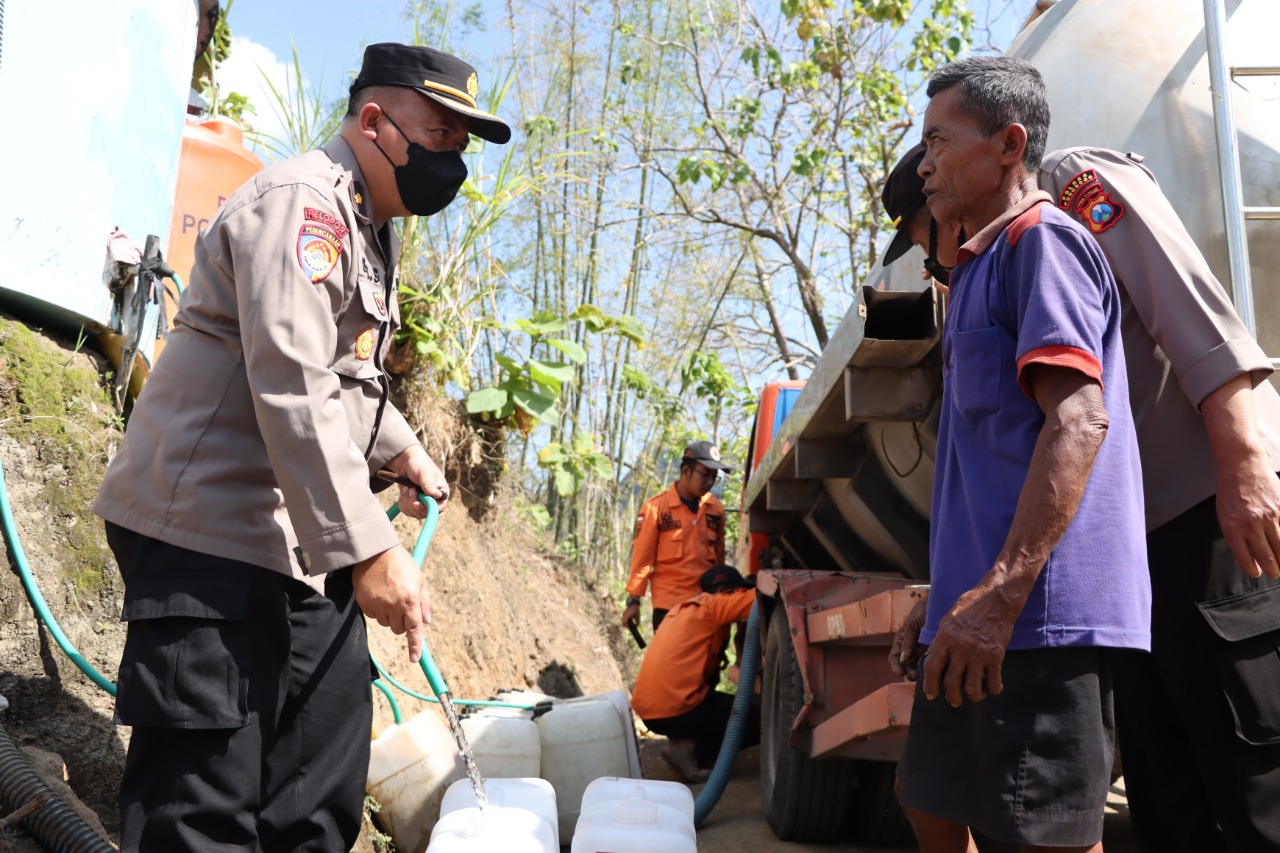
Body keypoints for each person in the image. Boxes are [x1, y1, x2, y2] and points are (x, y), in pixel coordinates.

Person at [93, 43, 510, 852]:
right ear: (375, 121)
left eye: (463, 148)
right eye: (442, 136)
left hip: (290, 540)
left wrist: (401, 446)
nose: (451, 163)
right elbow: (290, 378)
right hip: (205, 535)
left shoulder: (371, 225)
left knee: (317, 784)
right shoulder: (302, 205)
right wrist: (371, 548)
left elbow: (339, 373)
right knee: (203, 806)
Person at [883, 140, 1280, 851]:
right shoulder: (992, 270)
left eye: (927, 241)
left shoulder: (1067, 190)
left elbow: (1193, 313)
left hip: (1207, 520)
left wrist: (1246, 465)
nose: (934, 268)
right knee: (1165, 787)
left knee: (1254, 774)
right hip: (1117, 562)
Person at [888, 56, 1151, 852]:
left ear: (1008, 144)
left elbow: (1078, 421)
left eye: (938, 141)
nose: (924, 162)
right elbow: (993, 462)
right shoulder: (974, 268)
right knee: (929, 801)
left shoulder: (1045, 244)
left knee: (1037, 835)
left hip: (1037, 619)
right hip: (977, 612)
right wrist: (945, 594)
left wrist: (999, 597)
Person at [631, 564, 759, 782]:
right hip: (676, 710)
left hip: (653, 711)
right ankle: (693, 751)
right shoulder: (713, 606)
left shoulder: (681, 611)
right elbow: (760, 598)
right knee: (757, 717)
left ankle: (689, 745)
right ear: (728, 592)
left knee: (718, 706)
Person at [622, 440, 730, 633]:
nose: (709, 482)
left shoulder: (715, 509)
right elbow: (642, 560)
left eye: (714, 477)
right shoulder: (656, 508)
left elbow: (719, 561)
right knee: (670, 663)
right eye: (705, 475)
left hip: (706, 606)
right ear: (686, 472)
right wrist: (634, 601)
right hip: (669, 610)